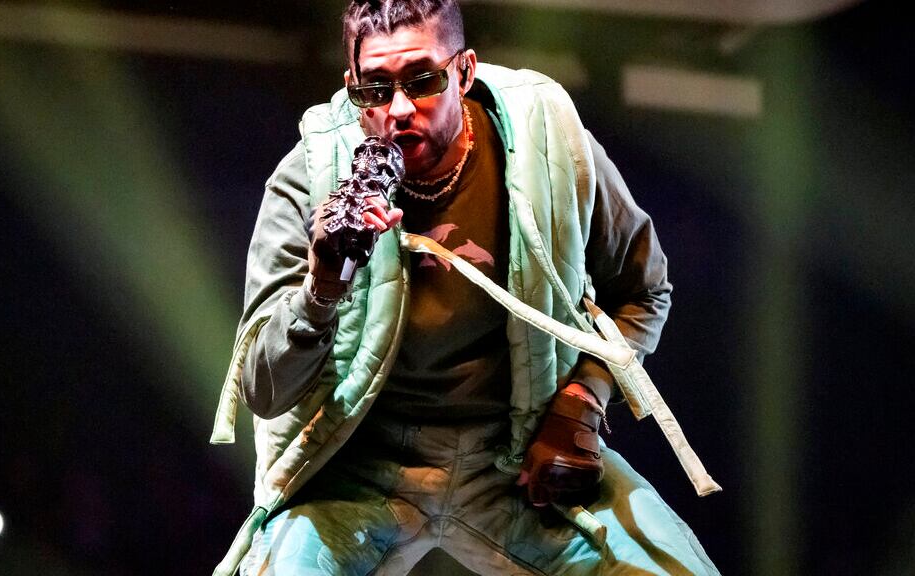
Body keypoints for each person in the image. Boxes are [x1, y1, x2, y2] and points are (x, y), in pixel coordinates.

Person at [210, 1, 720, 574]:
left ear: (465, 70)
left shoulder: (547, 145)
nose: (399, 109)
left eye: (422, 80)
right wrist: (321, 288)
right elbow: (263, 390)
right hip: (356, 461)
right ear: (351, 86)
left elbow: (644, 290)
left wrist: (580, 402)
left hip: (514, 450)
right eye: (375, 89)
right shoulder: (313, 173)